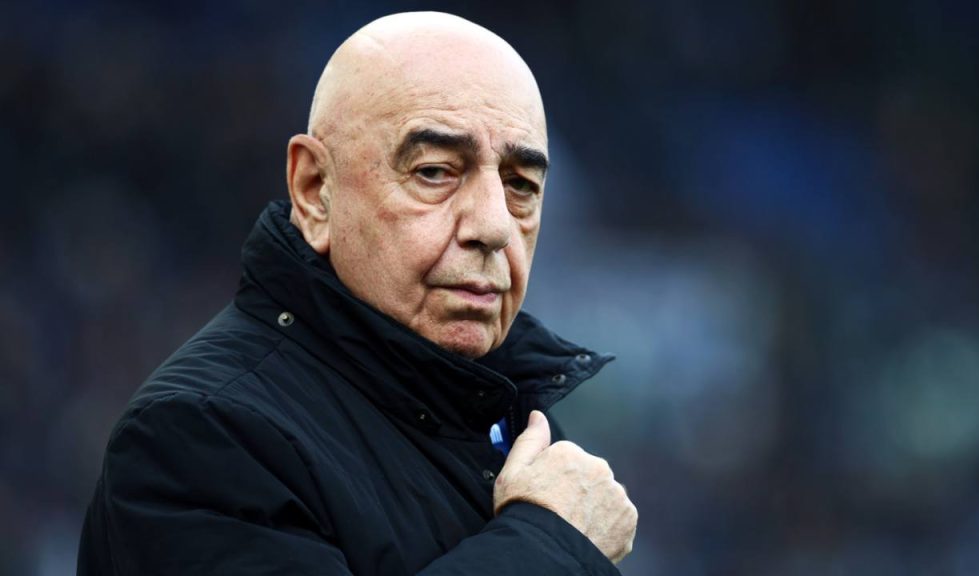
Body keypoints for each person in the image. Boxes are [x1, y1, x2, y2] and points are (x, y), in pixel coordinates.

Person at [78, 11, 637, 575]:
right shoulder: (198, 437)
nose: (494, 226)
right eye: (435, 171)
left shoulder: (512, 419)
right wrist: (552, 544)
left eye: (520, 184)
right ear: (314, 190)